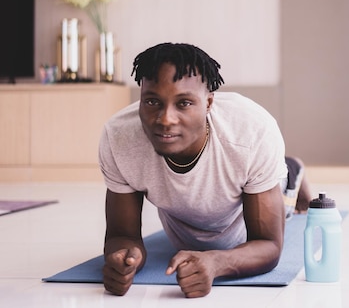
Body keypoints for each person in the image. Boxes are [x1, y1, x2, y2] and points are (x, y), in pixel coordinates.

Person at [99, 42, 311, 298]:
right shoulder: (119, 137)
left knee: (285, 195)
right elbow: (122, 235)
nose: (165, 119)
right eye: (152, 101)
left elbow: (268, 245)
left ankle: (292, 169)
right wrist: (123, 259)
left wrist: (216, 264)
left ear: (209, 103)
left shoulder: (252, 131)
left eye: (184, 103)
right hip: (186, 221)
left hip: (247, 206)